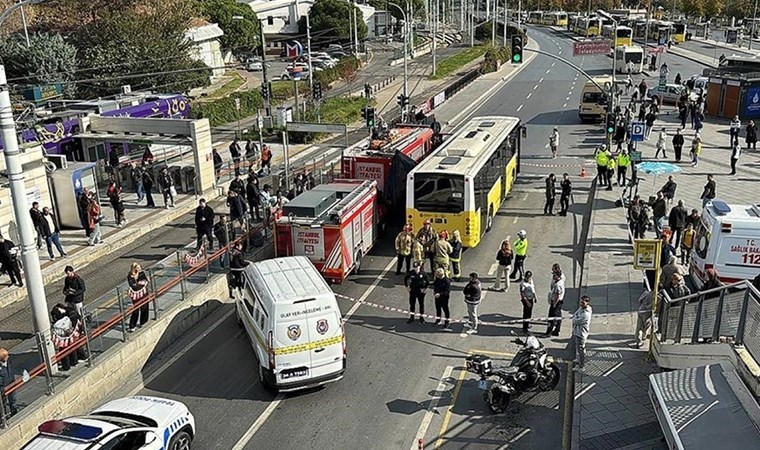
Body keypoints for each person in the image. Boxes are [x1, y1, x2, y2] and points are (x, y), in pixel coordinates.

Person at [126, 263, 150, 332]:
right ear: (134, 268)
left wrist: (140, 284)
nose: (140, 269)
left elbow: (145, 281)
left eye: (140, 267)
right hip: (135, 296)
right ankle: (132, 326)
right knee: (136, 310)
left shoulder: (141, 273)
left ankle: (143, 323)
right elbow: (134, 286)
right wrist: (141, 284)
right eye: (138, 268)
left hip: (143, 293)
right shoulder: (130, 276)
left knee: (144, 308)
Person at [545, 263, 566, 337]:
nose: (553, 277)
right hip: (557, 302)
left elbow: (557, 295)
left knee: (551, 317)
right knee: (558, 316)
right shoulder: (559, 282)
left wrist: (554, 304)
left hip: (556, 302)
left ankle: (549, 332)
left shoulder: (558, 285)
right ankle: (557, 330)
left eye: (554, 275)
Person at [572, 295, 592, 371]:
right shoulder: (581, 308)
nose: (581, 304)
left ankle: (581, 366)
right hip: (577, 331)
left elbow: (575, 320)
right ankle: (579, 360)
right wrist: (575, 316)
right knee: (579, 348)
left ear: (587, 303)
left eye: (583, 303)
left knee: (581, 350)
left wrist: (575, 317)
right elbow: (575, 314)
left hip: (581, 334)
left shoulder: (586, 314)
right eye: (581, 302)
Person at [0, 348, 18, 416]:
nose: (8, 357)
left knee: (13, 399)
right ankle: (4, 416)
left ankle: (14, 412)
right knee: (3, 403)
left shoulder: (9, 362)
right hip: (3, 387)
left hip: (11, 382)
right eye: (6, 356)